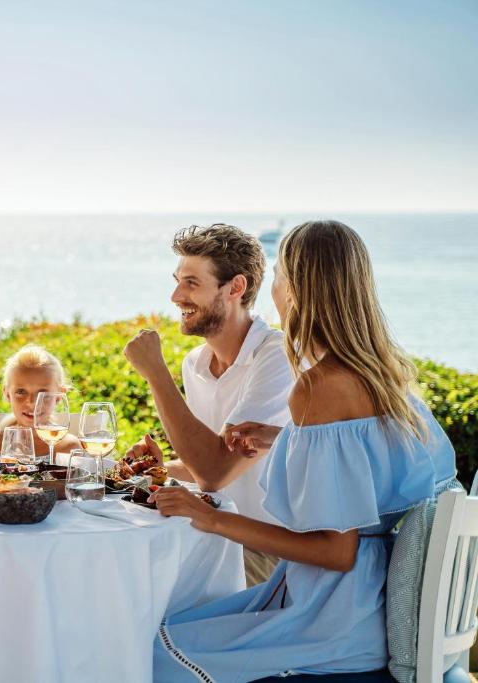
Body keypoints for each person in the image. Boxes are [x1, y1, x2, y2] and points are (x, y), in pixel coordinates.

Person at [149, 220, 457, 680]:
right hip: (362, 600)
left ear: (294, 288)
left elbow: (336, 551)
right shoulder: (380, 374)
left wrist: (208, 517)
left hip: (335, 618)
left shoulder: (320, 387)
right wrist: (285, 439)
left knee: (153, 650)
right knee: (173, 631)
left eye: (278, 275)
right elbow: (373, 466)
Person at [122, 224, 294, 585]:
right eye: (177, 282)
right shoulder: (195, 364)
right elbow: (207, 465)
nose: (176, 296)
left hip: (270, 555)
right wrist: (159, 468)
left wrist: (156, 373)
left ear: (235, 288)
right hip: (215, 537)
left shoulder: (277, 357)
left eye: (191, 283)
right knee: (119, 566)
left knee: (139, 584)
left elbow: (214, 472)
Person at [0, 344, 81, 459]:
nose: (32, 403)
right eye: (21, 392)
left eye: (43, 393)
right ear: (7, 394)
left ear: (59, 396)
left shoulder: (69, 447)